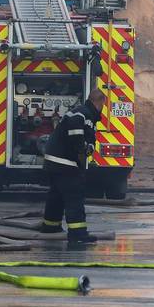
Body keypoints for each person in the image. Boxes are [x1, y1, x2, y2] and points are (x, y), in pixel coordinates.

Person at [40, 88, 107, 244]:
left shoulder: (80, 113)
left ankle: (51, 226)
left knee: (56, 195)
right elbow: (77, 139)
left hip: (54, 161)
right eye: (103, 105)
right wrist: (84, 151)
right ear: (99, 102)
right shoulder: (82, 115)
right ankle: (78, 234)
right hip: (65, 163)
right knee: (74, 196)